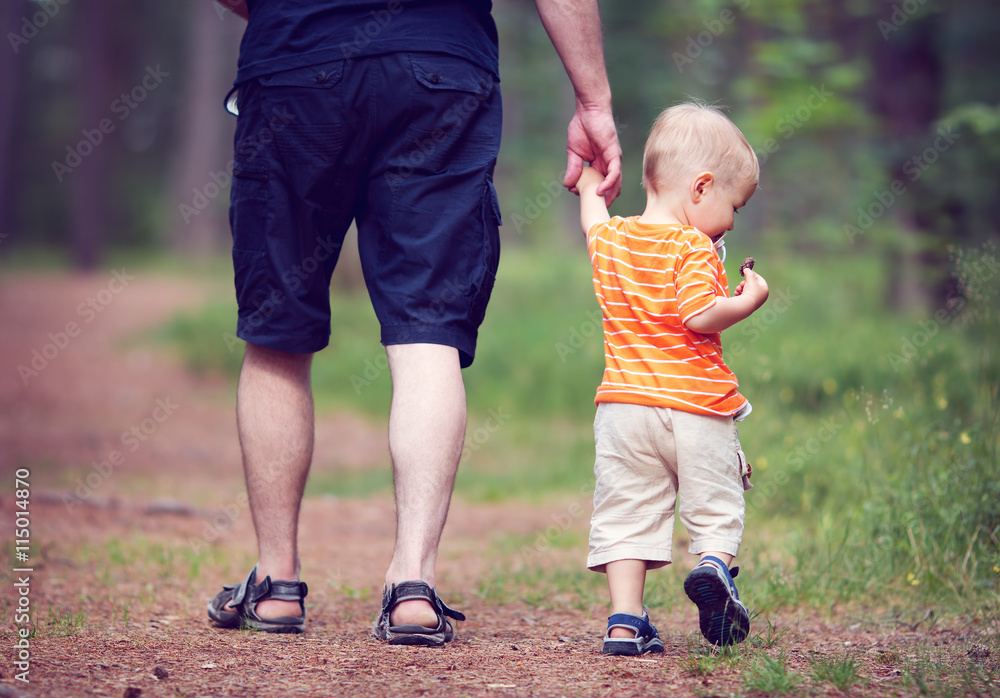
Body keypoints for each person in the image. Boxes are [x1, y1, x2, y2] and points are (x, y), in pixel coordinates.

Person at [205, 0, 622, 645]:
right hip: (439, 64)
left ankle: (277, 585)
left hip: (296, 60)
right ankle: (412, 588)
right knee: (428, 333)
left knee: (276, 334)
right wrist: (592, 99)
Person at [573, 101, 767, 655]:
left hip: (624, 410)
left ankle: (624, 623)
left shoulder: (612, 241)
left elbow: (593, 217)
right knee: (715, 507)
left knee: (627, 509)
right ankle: (713, 569)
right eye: (735, 206)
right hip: (696, 407)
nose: (732, 221)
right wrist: (747, 300)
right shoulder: (692, 246)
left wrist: (591, 183)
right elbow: (697, 315)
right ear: (701, 189)